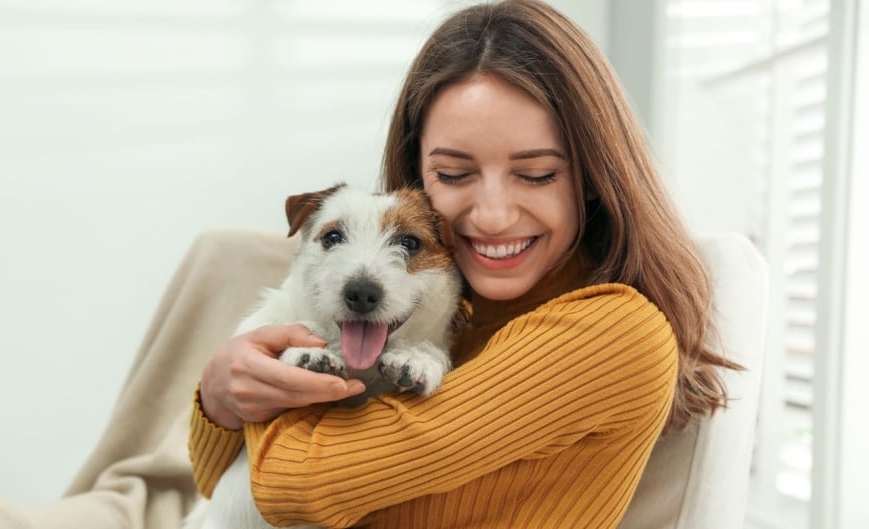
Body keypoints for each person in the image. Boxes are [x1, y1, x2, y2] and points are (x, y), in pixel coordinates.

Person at [190, 1, 740, 528]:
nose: (494, 216)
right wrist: (218, 398)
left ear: (594, 178)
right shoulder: (444, 308)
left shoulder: (612, 331)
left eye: (537, 174)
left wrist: (249, 391)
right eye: (454, 174)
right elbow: (218, 484)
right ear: (418, 175)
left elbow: (293, 488)